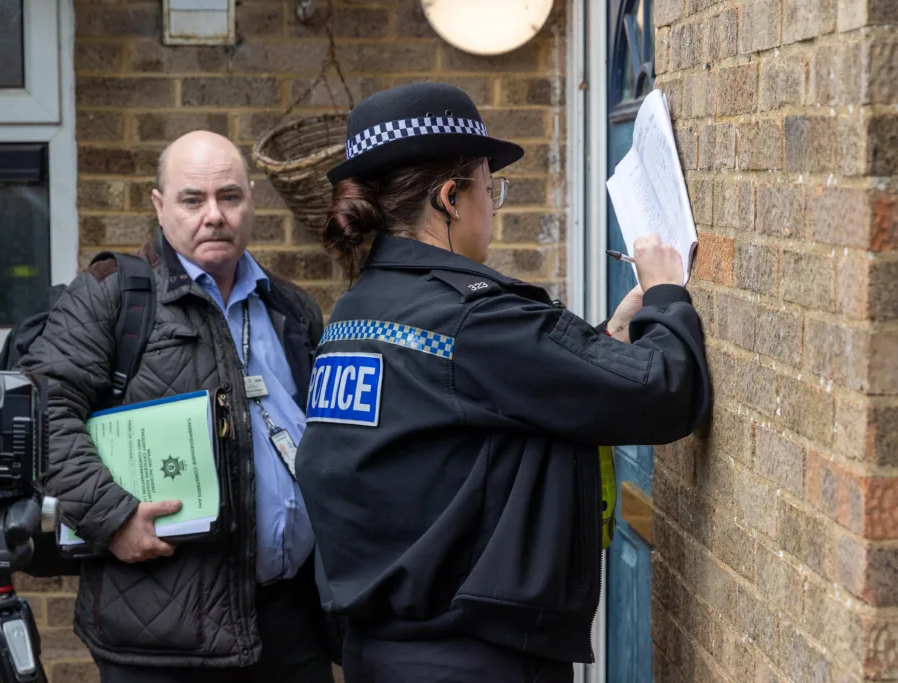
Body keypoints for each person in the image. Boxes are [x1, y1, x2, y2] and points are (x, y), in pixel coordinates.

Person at [294, 82, 712, 683]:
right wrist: (668, 291)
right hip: (473, 661)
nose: (495, 206)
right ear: (449, 199)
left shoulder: (357, 313)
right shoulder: (473, 320)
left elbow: (483, 403)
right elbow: (666, 393)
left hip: (382, 654)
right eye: (491, 189)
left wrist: (609, 337)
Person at [18, 131, 335, 683]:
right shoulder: (111, 296)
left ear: (251, 200)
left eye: (229, 197)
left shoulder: (288, 307)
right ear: (160, 206)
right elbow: (43, 412)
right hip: (164, 634)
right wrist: (112, 519)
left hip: (289, 624)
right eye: (193, 199)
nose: (214, 215)